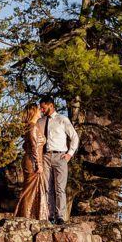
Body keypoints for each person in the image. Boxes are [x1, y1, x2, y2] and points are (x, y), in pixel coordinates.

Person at [38, 95, 80, 225]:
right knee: (47, 187)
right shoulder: (40, 121)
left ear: (50, 105)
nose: (42, 110)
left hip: (60, 156)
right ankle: (49, 215)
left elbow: (74, 137)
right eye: (41, 108)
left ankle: (60, 216)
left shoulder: (62, 119)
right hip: (45, 156)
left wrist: (69, 154)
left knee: (60, 188)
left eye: (43, 107)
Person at [15, 102, 49, 219]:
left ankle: (33, 215)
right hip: (33, 161)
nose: (41, 111)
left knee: (34, 189)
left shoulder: (32, 126)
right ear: (34, 111)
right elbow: (34, 147)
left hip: (32, 159)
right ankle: (25, 216)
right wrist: (39, 164)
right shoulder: (32, 127)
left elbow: (27, 146)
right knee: (29, 190)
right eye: (39, 109)